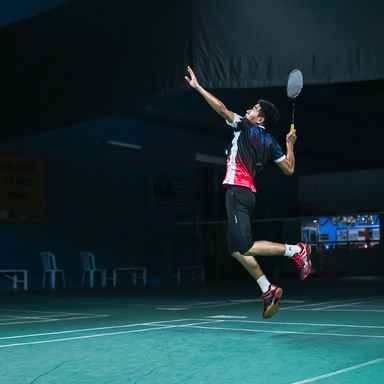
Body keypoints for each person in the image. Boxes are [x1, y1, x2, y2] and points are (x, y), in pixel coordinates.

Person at [185, 66, 312, 319]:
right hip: (246, 194)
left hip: (238, 192)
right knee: (236, 249)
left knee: (244, 246)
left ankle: (296, 250)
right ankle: (268, 289)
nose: (248, 110)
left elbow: (221, 108)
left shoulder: (245, 128)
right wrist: (289, 144)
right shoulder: (270, 141)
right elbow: (289, 168)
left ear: (260, 119)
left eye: (254, 109)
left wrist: (198, 88)